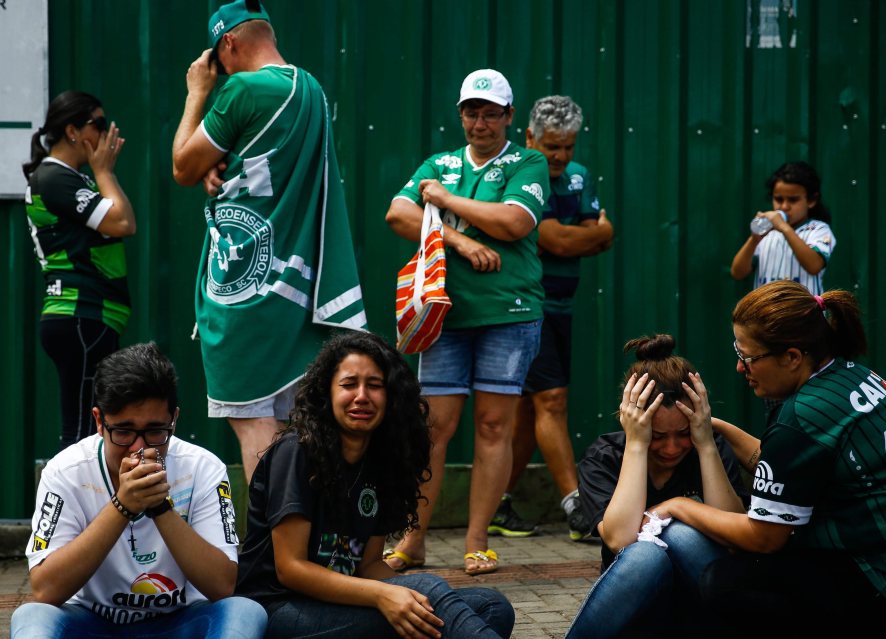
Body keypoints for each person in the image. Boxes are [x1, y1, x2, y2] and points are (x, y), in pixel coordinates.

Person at [646, 280, 886, 638]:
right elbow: (789, 468)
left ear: (793, 357)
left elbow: (764, 537)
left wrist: (678, 506)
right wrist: (709, 427)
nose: (739, 368)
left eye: (747, 358)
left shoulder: (800, 417)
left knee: (727, 583)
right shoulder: (852, 377)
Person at [172, 0, 366, 484]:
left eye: (221, 59)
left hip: (247, 289)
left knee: (256, 423)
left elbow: (182, 166)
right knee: (300, 427)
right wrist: (222, 166)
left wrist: (198, 92)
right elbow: (256, 161)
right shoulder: (311, 89)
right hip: (297, 286)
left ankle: (270, 546)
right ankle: (310, 540)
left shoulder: (242, 88)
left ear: (229, 44)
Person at [236, 331, 515, 638]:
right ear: (326, 393)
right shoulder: (297, 452)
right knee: (428, 590)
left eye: (374, 385)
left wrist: (406, 596)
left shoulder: (382, 460)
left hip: (340, 604)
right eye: (348, 384)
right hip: (279, 610)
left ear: (392, 395)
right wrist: (385, 595)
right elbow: (291, 569)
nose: (361, 396)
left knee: (491, 605)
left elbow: (368, 565)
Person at [384, 69, 549, 575]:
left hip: (509, 312)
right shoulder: (440, 162)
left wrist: (444, 202)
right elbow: (397, 214)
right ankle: (413, 540)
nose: (481, 122)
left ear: (509, 117)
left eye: (491, 113)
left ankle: (477, 540)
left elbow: (516, 221)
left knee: (494, 424)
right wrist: (459, 240)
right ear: (461, 115)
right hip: (444, 313)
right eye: (472, 112)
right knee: (434, 425)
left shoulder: (529, 161)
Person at [10, 343, 266, 638]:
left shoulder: (204, 469)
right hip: (91, 624)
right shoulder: (65, 472)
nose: (139, 447)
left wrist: (160, 507)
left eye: (156, 431)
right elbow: (45, 589)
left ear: (174, 420)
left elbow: (222, 586)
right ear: (98, 421)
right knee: (32, 617)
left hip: (179, 622)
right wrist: (122, 506)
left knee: (245, 612)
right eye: (123, 431)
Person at [489, 95, 614, 541]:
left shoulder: (579, 176)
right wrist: (587, 234)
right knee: (553, 399)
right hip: (528, 305)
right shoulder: (521, 172)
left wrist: (588, 235)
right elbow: (558, 239)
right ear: (529, 138)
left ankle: (495, 504)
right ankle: (578, 508)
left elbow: (606, 235)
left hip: (563, 308)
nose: (560, 156)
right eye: (551, 146)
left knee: (527, 411)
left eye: (568, 146)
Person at [566, 335, 747, 639]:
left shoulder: (710, 448)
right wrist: (637, 443)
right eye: (658, 436)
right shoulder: (605, 456)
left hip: (702, 611)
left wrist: (703, 443)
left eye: (683, 433)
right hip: (635, 613)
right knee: (645, 555)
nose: (672, 448)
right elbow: (621, 539)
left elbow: (733, 537)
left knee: (680, 535)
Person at [23, 90, 137, 450]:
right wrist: (105, 172)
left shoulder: (68, 178)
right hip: (79, 312)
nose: (105, 135)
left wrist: (103, 175)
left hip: (89, 316)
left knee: (90, 428)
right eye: (98, 125)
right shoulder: (55, 177)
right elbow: (122, 222)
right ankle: (69, 506)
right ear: (72, 131)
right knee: (83, 435)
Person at [730, 161, 836, 295]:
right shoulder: (766, 231)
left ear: (811, 200)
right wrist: (754, 239)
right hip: (766, 313)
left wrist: (784, 228)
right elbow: (737, 273)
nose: (784, 207)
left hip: (805, 313)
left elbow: (814, 266)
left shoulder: (819, 229)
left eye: (793, 200)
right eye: (778, 199)